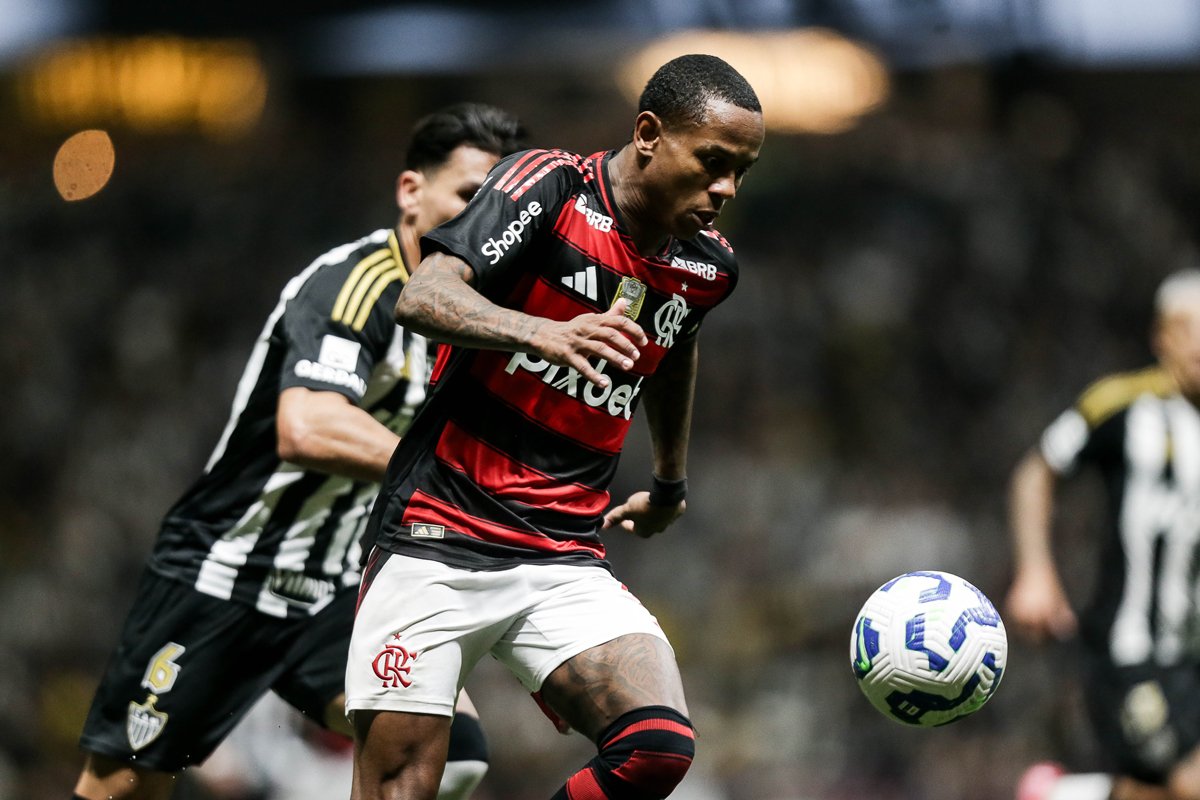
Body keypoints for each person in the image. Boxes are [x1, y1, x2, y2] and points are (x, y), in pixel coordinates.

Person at [72, 102, 527, 800]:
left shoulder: (473, 313)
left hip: (334, 590)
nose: (485, 221)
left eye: (499, 206)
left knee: (452, 751)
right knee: (121, 788)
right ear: (411, 192)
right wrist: (450, 477)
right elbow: (309, 427)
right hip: (227, 574)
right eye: (470, 197)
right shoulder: (356, 283)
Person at [345, 54, 764, 800]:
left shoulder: (708, 267)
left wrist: (669, 480)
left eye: (741, 170)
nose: (726, 188)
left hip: (562, 555)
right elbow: (424, 294)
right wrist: (539, 333)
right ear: (647, 133)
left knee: (658, 748)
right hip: (437, 536)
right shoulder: (552, 186)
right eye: (713, 162)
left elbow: (673, 348)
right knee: (401, 786)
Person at [1008, 269, 1200, 800]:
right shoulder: (1123, 404)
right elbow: (1036, 472)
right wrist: (1036, 571)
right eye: (1188, 329)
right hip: (1129, 650)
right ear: (1162, 338)